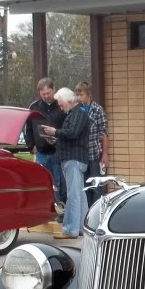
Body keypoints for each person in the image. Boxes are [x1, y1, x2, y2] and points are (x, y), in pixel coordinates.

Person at [40, 88, 90, 239]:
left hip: (73, 159)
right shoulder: (76, 114)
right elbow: (71, 135)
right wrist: (56, 139)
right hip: (74, 158)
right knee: (80, 195)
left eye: (61, 105)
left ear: (69, 101)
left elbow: (73, 133)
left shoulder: (78, 113)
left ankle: (70, 230)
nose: (61, 108)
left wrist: (55, 132)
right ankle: (82, 227)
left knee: (73, 195)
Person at [25, 78, 67, 210]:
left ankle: (60, 208)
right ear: (39, 93)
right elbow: (29, 128)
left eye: (48, 93)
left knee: (58, 181)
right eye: (43, 94)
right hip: (41, 151)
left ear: (53, 89)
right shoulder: (34, 107)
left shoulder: (61, 105)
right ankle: (46, 208)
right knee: (43, 181)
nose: (46, 96)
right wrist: (31, 145)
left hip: (57, 151)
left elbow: (67, 127)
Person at [74, 81, 110, 208]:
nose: (79, 98)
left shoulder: (98, 110)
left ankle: (98, 212)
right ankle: (87, 213)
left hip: (95, 154)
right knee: (85, 187)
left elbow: (104, 134)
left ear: (89, 94)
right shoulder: (77, 110)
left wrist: (105, 154)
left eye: (81, 94)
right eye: (77, 95)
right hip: (81, 155)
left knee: (97, 186)